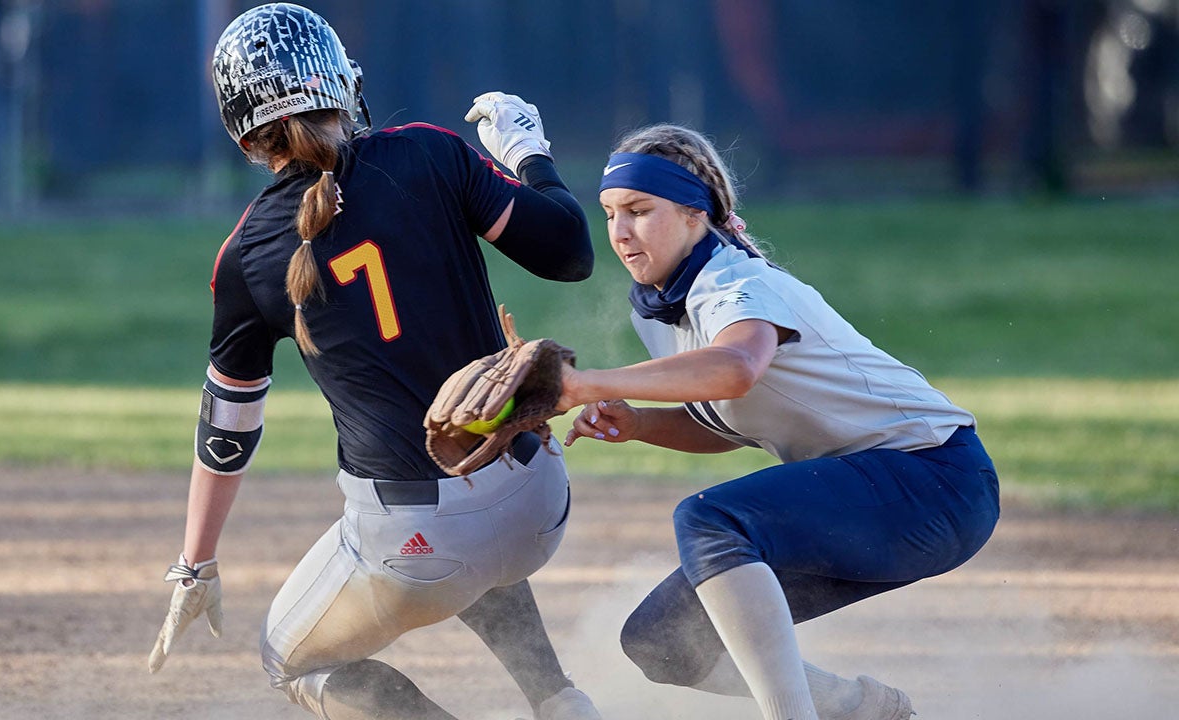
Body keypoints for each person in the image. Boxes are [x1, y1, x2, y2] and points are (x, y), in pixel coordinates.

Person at [147, 5, 602, 720]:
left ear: (242, 128)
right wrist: (528, 154)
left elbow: (228, 430)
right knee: (477, 520)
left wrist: (196, 562)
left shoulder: (245, 257)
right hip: (539, 500)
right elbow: (570, 253)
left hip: (414, 544)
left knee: (290, 660)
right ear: (340, 84)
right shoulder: (426, 151)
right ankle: (560, 701)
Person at [557, 124, 1000, 720]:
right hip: (880, 499)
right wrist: (638, 422)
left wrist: (589, 383)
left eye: (639, 210)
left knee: (709, 519)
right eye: (610, 213)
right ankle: (861, 707)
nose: (620, 232)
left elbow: (736, 370)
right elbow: (731, 421)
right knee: (664, 641)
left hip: (936, 482)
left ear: (695, 214)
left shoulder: (735, 281)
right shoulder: (665, 308)